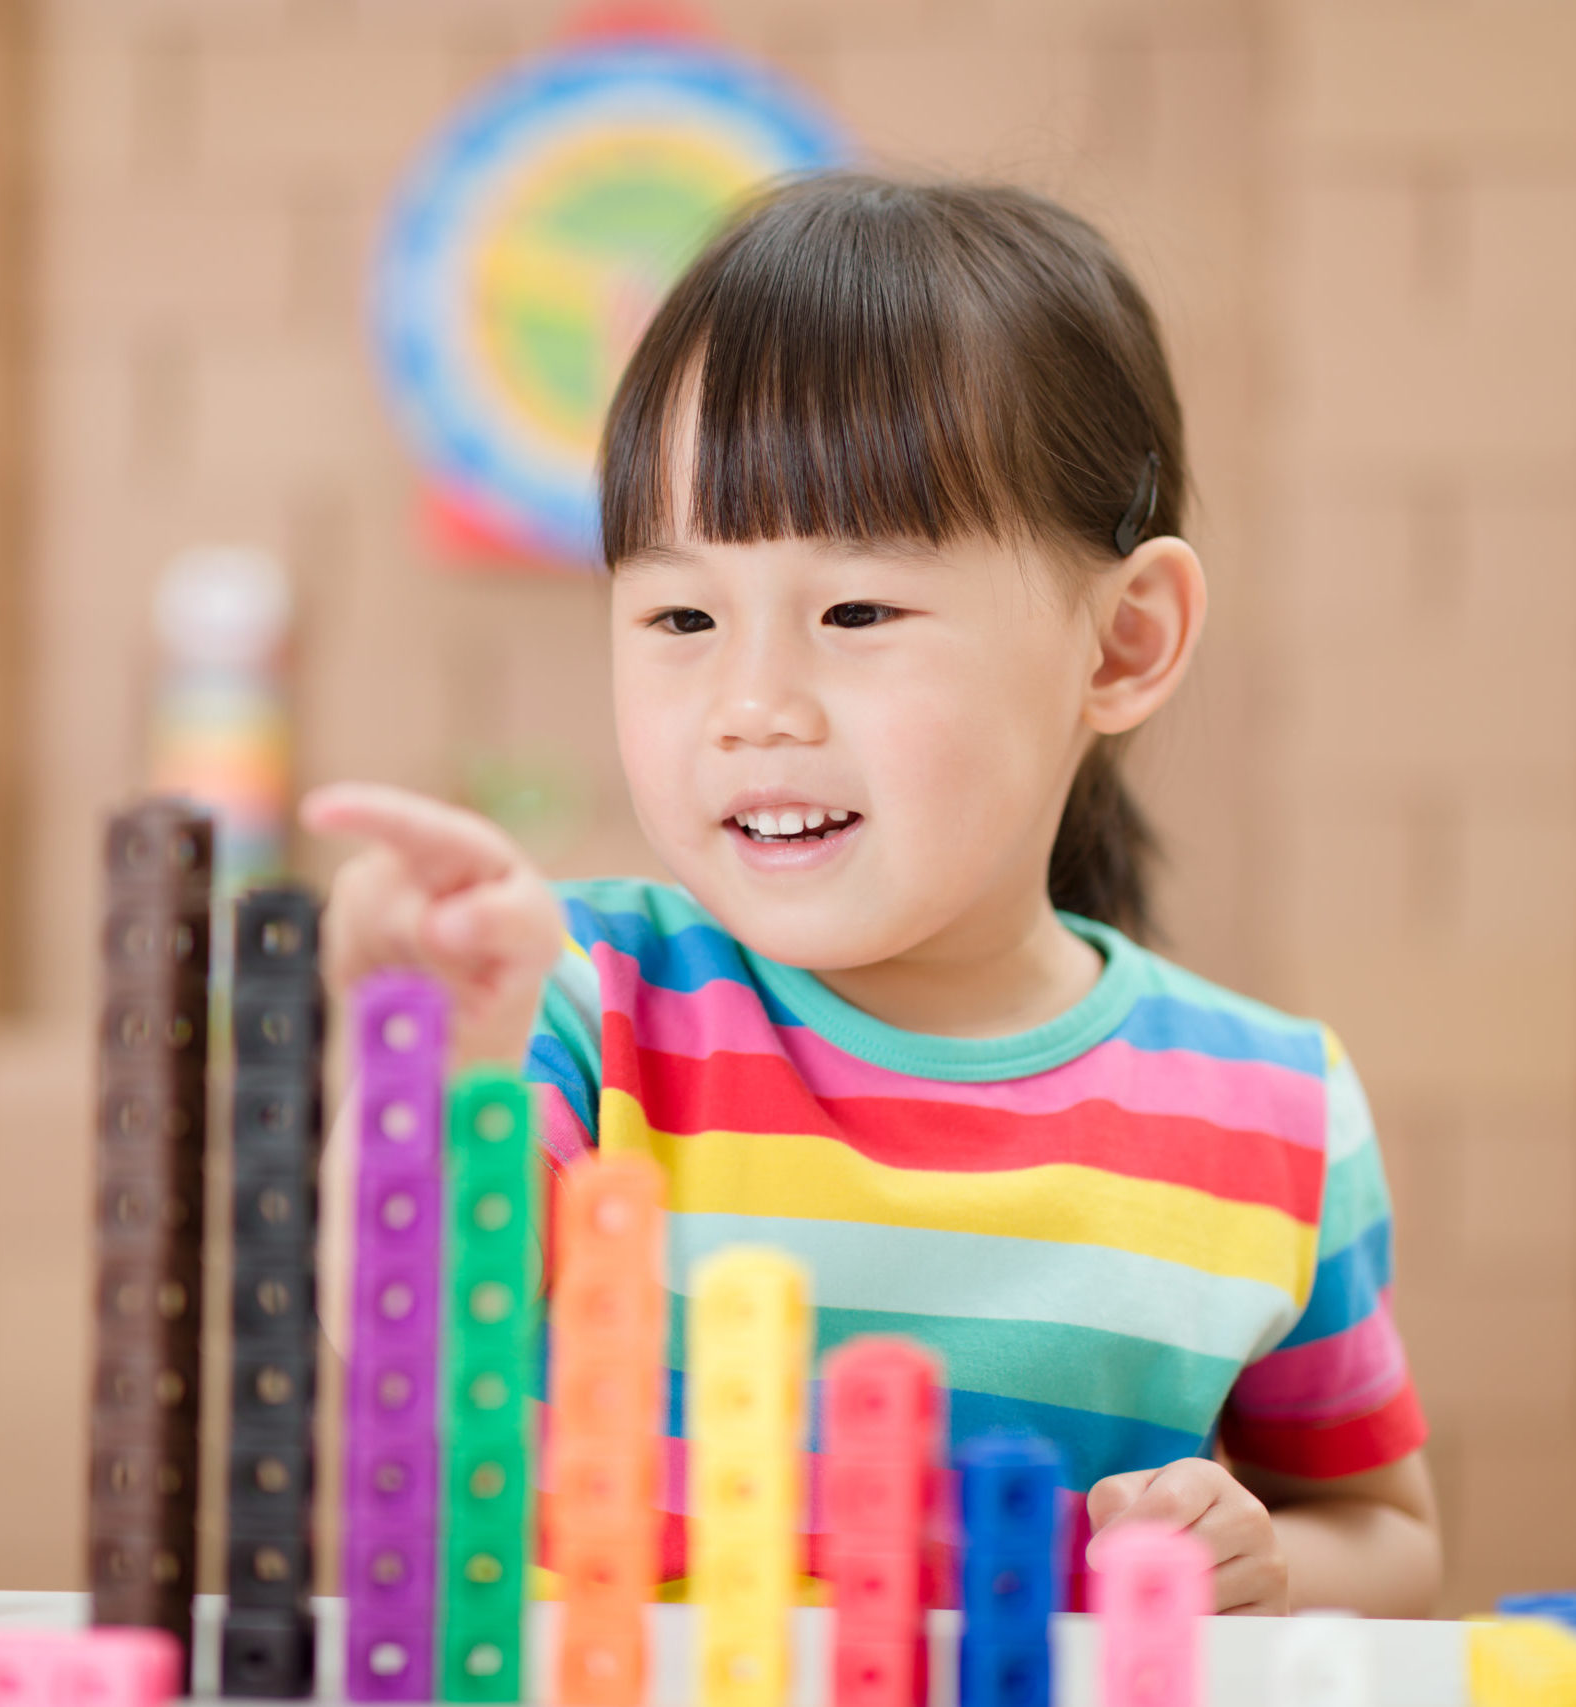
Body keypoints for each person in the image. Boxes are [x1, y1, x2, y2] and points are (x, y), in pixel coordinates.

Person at [305, 174, 1441, 1616]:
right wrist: (432, 1068)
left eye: (855, 612)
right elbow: (399, 1343)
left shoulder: (1272, 1112)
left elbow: (1389, 1533)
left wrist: (1263, 1561)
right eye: (679, 617)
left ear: (1122, 644)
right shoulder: (577, 1001)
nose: (751, 704)